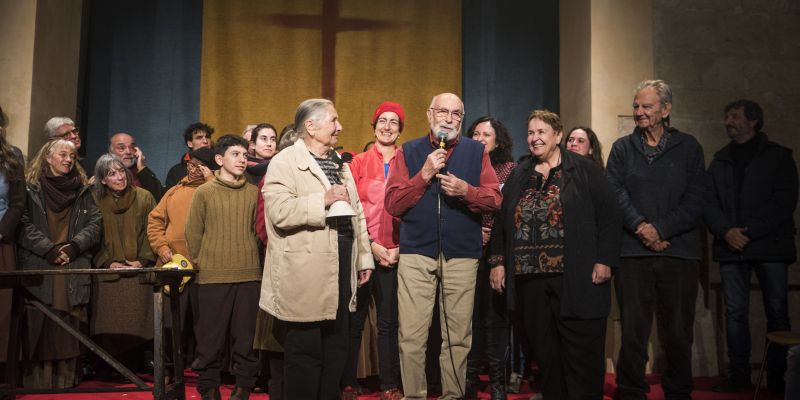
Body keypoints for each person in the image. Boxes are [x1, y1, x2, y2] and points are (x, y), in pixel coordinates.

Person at [486, 110, 620, 399]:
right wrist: (497, 262)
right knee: (546, 354)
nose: (535, 138)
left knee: (580, 352)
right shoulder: (520, 173)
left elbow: (610, 215)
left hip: (576, 276)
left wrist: (606, 259)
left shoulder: (584, 169)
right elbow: (500, 220)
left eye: (542, 132)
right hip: (529, 280)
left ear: (558, 135)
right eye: (531, 133)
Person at [384, 92, 501, 399]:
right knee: (411, 336)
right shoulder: (409, 152)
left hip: (462, 255)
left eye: (456, 114)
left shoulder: (477, 153)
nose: (449, 119)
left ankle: (452, 395)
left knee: (458, 337)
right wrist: (422, 175)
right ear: (429, 115)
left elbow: (495, 200)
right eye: (443, 112)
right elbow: (393, 204)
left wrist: (467, 191)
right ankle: (414, 396)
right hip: (416, 254)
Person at [260, 98, 374, 399]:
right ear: (310, 126)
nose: (340, 127)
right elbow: (279, 212)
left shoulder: (339, 163)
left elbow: (357, 212)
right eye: (333, 121)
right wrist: (321, 200)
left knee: (336, 349)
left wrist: (364, 258)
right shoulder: (284, 162)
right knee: (305, 351)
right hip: (305, 273)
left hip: (341, 266)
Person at [606, 79, 706, 400]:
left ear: (665, 110)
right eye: (636, 106)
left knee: (677, 333)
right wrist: (641, 227)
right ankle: (631, 392)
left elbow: (695, 199)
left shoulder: (689, 147)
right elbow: (615, 193)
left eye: (646, 106)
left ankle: (678, 392)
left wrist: (660, 230)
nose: (639, 112)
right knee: (634, 332)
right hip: (633, 255)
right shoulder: (622, 148)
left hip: (679, 254)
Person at [704, 99, 797, 393]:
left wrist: (749, 231)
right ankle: (739, 377)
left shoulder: (779, 157)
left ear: (753, 121)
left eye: (734, 116)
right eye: (726, 116)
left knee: (777, 312)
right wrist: (725, 231)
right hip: (731, 248)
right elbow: (707, 202)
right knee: (735, 313)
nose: (728, 121)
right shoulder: (719, 160)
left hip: (770, 246)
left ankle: (777, 380)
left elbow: (784, 200)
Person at [17, 139, 102, 388]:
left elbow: (95, 224)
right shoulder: (30, 188)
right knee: (39, 322)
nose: (68, 159)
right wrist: (48, 249)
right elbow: (21, 223)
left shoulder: (83, 191)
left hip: (71, 264)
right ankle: (37, 380)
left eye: (72, 156)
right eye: (62, 154)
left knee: (68, 322)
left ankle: (66, 380)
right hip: (41, 263)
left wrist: (74, 246)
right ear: (48, 158)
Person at [185, 135, 261, 400]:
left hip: (249, 274)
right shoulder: (204, 192)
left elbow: (258, 231)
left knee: (246, 339)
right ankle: (208, 387)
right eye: (235, 154)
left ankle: (244, 387)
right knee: (209, 340)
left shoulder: (253, 192)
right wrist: (204, 263)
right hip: (212, 276)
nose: (242, 159)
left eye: (244, 155)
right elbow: (193, 234)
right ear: (219, 159)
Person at [345, 101, 405, 399]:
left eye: (394, 122)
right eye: (382, 120)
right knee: (354, 322)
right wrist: (370, 245)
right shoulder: (357, 163)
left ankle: (389, 382)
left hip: (396, 253)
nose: (387, 126)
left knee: (389, 323)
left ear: (400, 129)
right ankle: (347, 381)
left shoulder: (408, 162)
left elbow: (413, 209)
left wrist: (398, 248)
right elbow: (351, 210)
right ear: (374, 125)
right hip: (363, 251)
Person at [147, 147, 216, 383]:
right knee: (169, 321)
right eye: (191, 164)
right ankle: (167, 369)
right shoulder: (175, 191)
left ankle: (206, 370)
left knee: (205, 324)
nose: (193, 169)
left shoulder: (215, 190)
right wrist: (162, 247)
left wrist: (211, 180)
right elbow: (155, 221)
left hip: (205, 268)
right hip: (174, 266)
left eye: (200, 166)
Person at [463, 116, 515, 399]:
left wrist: (489, 233)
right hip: (466, 250)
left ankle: (497, 382)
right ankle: (469, 380)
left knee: (495, 318)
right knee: (467, 317)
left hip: (497, 254)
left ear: (498, 140)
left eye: (487, 134)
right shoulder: (463, 166)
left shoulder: (510, 169)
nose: (481, 138)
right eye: (476, 134)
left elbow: (507, 214)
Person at [90, 154, 157, 370]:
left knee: (138, 324)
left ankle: (136, 368)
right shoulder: (93, 200)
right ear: (102, 180)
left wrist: (143, 260)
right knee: (109, 326)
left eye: (121, 171)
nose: (120, 177)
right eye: (112, 174)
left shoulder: (144, 197)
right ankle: (109, 369)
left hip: (137, 271)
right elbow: (91, 236)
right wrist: (107, 261)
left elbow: (153, 231)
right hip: (108, 275)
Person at [108, 132, 164, 201]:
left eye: (132, 147)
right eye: (121, 148)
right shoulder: (104, 173)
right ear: (111, 152)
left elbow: (160, 198)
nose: (128, 152)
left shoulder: (143, 173)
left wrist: (142, 168)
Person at [165, 122, 214, 189]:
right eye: (199, 138)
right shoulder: (176, 171)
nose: (205, 141)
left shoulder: (222, 166)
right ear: (190, 143)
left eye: (207, 137)